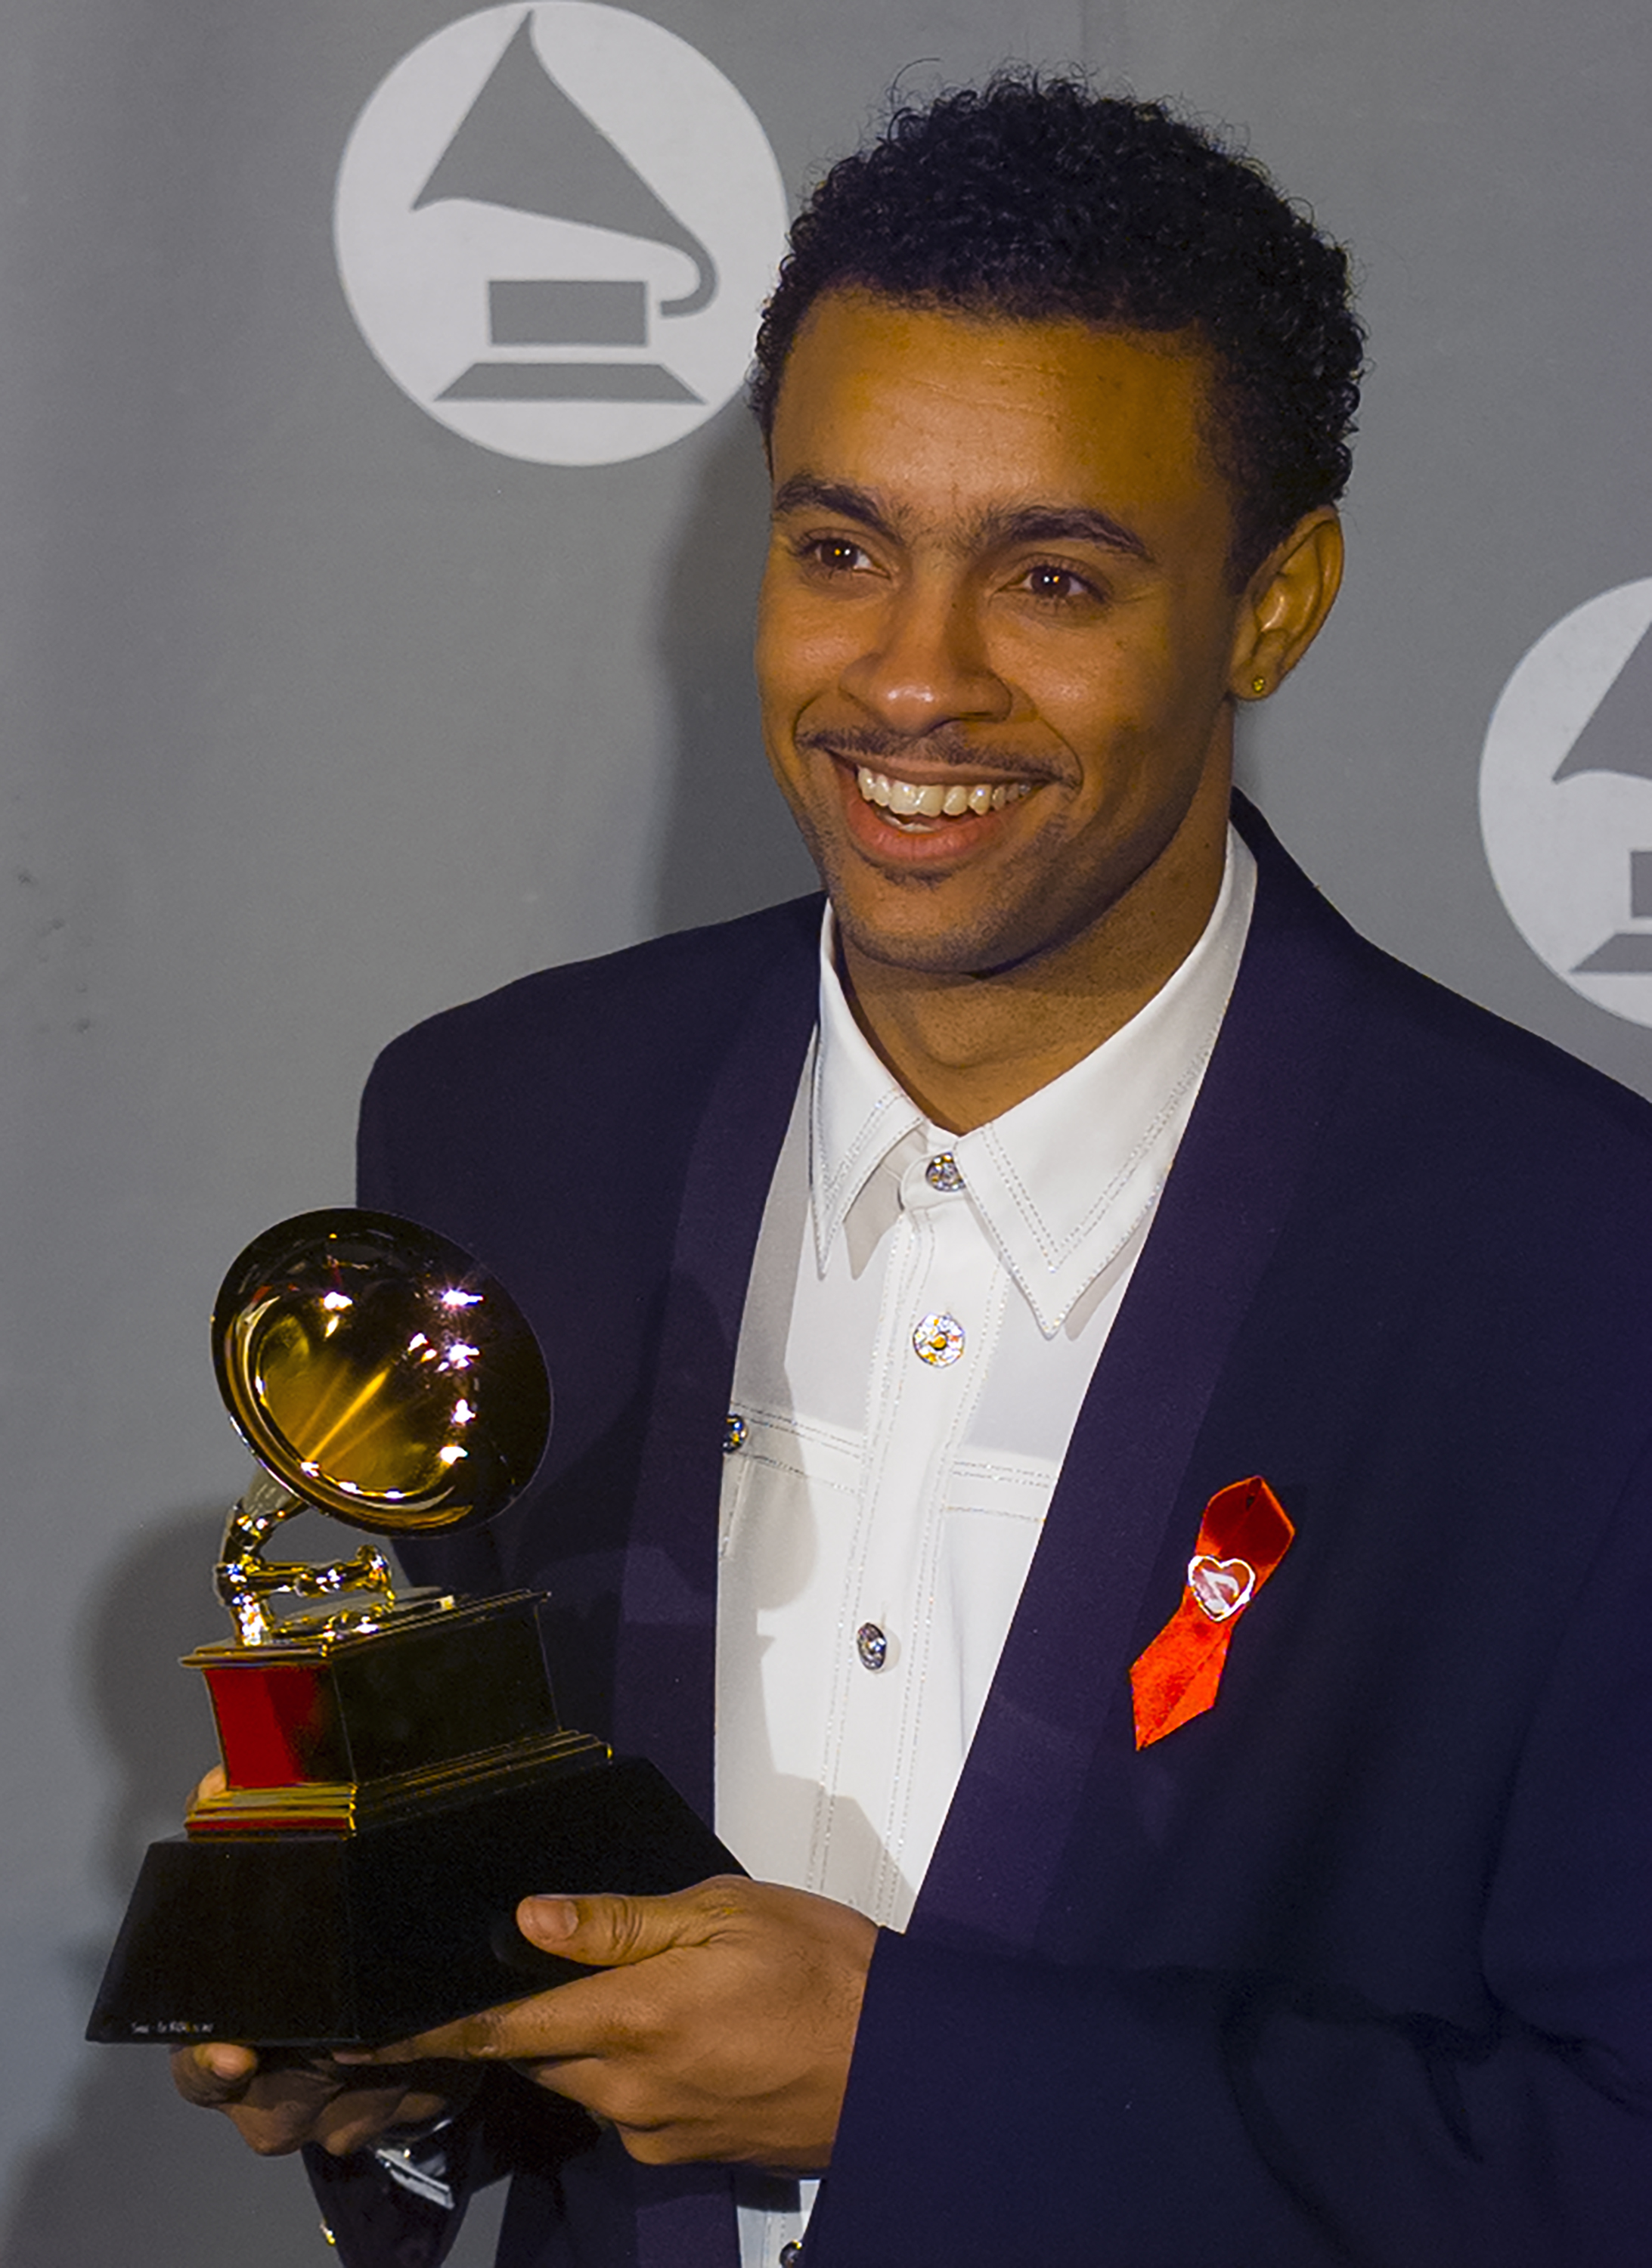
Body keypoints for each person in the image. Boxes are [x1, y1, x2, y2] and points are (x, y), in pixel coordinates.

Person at [173, 73, 1652, 2268]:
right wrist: (395, 2066)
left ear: (1272, 605)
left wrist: (911, 2081)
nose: (910, 679)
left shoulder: (1568, 1270)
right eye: (839, 546)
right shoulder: (508, 1119)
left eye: (1049, 574)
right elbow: (474, 1874)